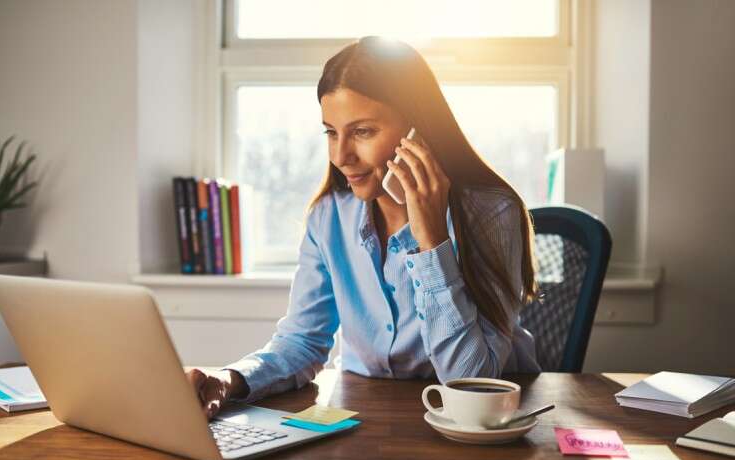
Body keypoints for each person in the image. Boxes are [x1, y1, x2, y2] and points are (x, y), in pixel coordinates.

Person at [187, 36, 541, 418]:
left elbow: (470, 381)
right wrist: (229, 378)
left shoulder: (491, 213)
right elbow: (302, 342)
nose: (341, 156)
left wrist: (432, 241)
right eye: (331, 132)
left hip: (481, 428)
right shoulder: (328, 217)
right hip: (363, 421)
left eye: (362, 132)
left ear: (417, 131)